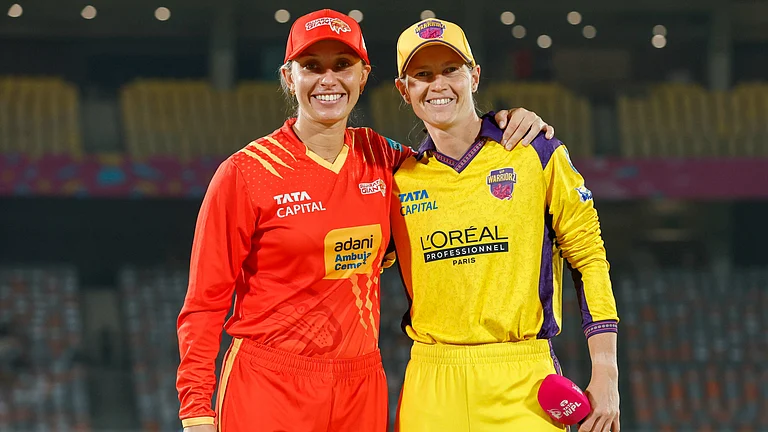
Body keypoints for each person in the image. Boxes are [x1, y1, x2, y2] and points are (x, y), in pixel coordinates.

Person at [176, 9, 555, 432]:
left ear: (362, 75)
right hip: (269, 383)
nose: (328, 79)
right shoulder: (245, 173)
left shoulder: (384, 157)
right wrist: (196, 411)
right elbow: (204, 302)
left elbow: (452, 163)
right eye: (311, 67)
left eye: (342, 66)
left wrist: (505, 125)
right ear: (288, 77)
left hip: (360, 384)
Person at [390, 18, 620, 432]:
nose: (437, 84)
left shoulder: (534, 149)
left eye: (450, 70)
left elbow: (588, 256)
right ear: (403, 90)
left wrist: (606, 370)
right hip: (430, 383)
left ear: (474, 76)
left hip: (522, 383)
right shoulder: (397, 178)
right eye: (422, 74)